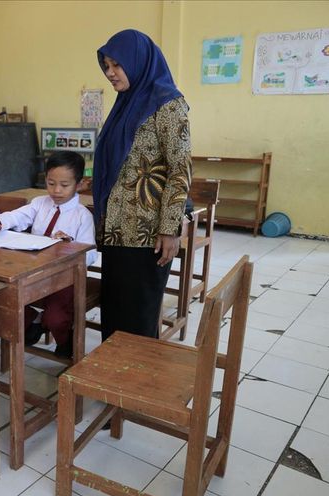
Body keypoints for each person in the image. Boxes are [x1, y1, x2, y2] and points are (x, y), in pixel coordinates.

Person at [93, 29, 192, 341]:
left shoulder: (168, 104)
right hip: (115, 231)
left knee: (137, 318)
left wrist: (170, 228)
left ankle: (136, 385)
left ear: (138, 63)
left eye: (117, 65)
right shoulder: (125, 104)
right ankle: (113, 382)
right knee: (114, 314)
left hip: (148, 235)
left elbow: (180, 170)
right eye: (106, 66)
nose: (110, 73)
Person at [0, 151, 97, 358]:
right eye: (50, 182)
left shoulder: (82, 216)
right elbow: (19, 216)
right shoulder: (39, 203)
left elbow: (91, 255)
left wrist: (70, 247)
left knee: (56, 318)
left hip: (63, 279)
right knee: (4, 297)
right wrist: (1, 221)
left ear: (79, 184)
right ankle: (34, 322)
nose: (56, 190)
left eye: (64, 185)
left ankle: (65, 340)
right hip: (34, 272)